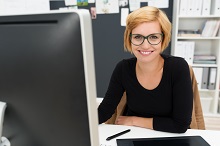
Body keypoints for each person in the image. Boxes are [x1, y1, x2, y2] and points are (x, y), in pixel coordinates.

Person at [98, 6, 193, 133]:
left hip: (168, 136)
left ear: (163, 38)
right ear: (129, 38)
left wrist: (134, 120)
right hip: (132, 133)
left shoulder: (178, 67)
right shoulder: (123, 68)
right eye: (138, 37)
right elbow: (104, 111)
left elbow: (180, 125)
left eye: (153, 37)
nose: (145, 45)